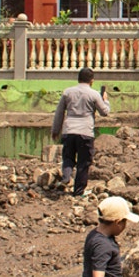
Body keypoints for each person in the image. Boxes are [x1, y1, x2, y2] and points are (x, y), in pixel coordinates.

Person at [51, 67, 111, 196]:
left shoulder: (67, 92)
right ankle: (78, 192)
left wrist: (55, 130)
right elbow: (104, 112)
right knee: (84, 163)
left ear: (78, 79)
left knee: (68, 157)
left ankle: (66, 178)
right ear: (92, 81)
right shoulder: (94, 94)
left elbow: (59, 113)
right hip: (85, 132)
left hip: (69, 130)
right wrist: (105, 100)